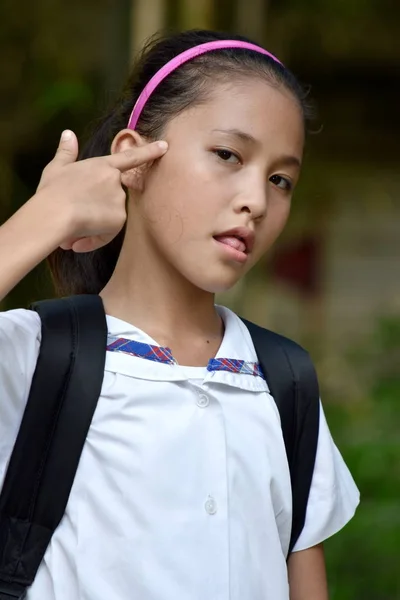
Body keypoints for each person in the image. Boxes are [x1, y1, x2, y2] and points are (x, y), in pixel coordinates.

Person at [0, 29, 359, 600]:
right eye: (228, 155)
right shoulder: (32, 356)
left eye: (280, 179)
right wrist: (47, 217)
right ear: (134, 158)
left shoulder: (283, 380)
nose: (257, 201)